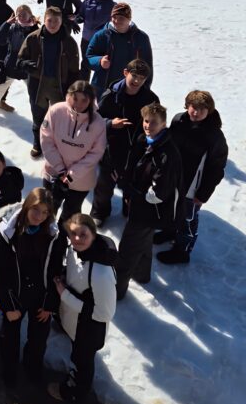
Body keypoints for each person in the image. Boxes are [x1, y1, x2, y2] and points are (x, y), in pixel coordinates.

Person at [0, 188, 59, 385]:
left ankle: (32, 367)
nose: (39, 216)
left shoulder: (51, 234)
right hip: (15, 295)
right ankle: (9, 370)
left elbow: (55, 268)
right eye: (36, 209)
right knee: (9, 338)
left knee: (38, 339)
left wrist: (49, 303)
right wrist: (9, 305)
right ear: (27, 206)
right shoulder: (7, 233)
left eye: (45, 212)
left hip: (40, 295)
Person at [115, 103, 182, 299]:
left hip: (149, 210)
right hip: (141, 206)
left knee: (127, 250)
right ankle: (141, 274)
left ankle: (116, 291)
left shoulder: (166, 154)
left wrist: (133, 193)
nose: (148, 126)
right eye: (146, 121)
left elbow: (157, 193)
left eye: (154, 123)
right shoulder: (145, 140)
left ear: (164, 124)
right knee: (144, 241)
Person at [48, 213, 116, 403]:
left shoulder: (101, 273)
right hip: (73, 320)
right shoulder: (75, 249)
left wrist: (65, 295)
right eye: (73, 234)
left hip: (88, 329)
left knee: (82, 362)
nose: (77, 239)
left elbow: (104, 313)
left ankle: (75, 392)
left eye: (83, 235)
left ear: (94, 235)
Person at [157, 91, 228, 264]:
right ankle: (169, 231)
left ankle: (182, 251)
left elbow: (216, 169)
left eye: (202, 109)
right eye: (193, 107)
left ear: (209, 111)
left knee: (187, 219)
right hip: (172, 179)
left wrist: (203, 194)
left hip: (192, 188)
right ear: (187, 105)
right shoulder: (178, 120)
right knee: (169, 208)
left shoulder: (214, 136)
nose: (196, 112)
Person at [91, 59, 158, 224]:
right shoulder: (111, 95)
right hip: (112, 149)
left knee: (133, 183)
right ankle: (100, 211)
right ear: (125, 73)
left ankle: (129, 207)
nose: (136, 81)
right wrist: (110, 124)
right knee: (104, 186)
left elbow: (157, 121)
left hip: (137, 150)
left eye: (141, 78)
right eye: (134, 76)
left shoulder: (150, 98)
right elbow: (95, 120)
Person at [17, 6, 80, 159]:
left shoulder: (69, 42)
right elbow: (20, 59)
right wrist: (25, 64)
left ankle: (58, 143)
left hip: (60, 84)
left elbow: (74, 69)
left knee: (61, 116)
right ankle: (38, 142)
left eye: (56, 21)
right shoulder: (32, 38)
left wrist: (72, 89)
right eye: (49, 20)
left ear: (61, 22)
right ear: (44, 21)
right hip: (38, 83)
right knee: (38, 115)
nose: (52, 24)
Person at [40, 81, 107, 220]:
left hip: (80, 182)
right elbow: (46, 141)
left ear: (91, 100)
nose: (78, 104)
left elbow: (96, 153)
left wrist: (70, 175)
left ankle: (62, 240)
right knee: (46, 212)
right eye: (74, 98)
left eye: (84, 100)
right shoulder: (55, 111)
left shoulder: (98, 122)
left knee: (70, 216)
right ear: (68, 95)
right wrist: (60, 169)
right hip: (53, 174)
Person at [85, 2, 153, 98]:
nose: (116, 21)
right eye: (114, 17)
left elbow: (148, 66)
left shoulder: (141, 38)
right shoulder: (101, 35)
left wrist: (145, 88)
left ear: (129, 19)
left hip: (132, 87)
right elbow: (88, 58)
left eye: (121, 18)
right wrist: (99, 61)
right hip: (103, 87)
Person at [0, 4, 38, 117]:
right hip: (11, 64)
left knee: (36, 91)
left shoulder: (35, 29)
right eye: (19, 15)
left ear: (30, 15)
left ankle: (42, 115)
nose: (21, 17)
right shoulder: (12, 27)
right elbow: (0, 40)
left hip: (27, 66)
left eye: (24, 14)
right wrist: (6, 24)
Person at [79, 0, 114, 75]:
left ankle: (98, 87)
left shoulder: (111, 5)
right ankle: (83, 87)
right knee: (85, 63)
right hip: (86, 38)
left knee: (100, 65)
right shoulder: (88, 0)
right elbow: (81, 14)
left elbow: (115, 22)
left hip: (101, 41)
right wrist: (78, 19)